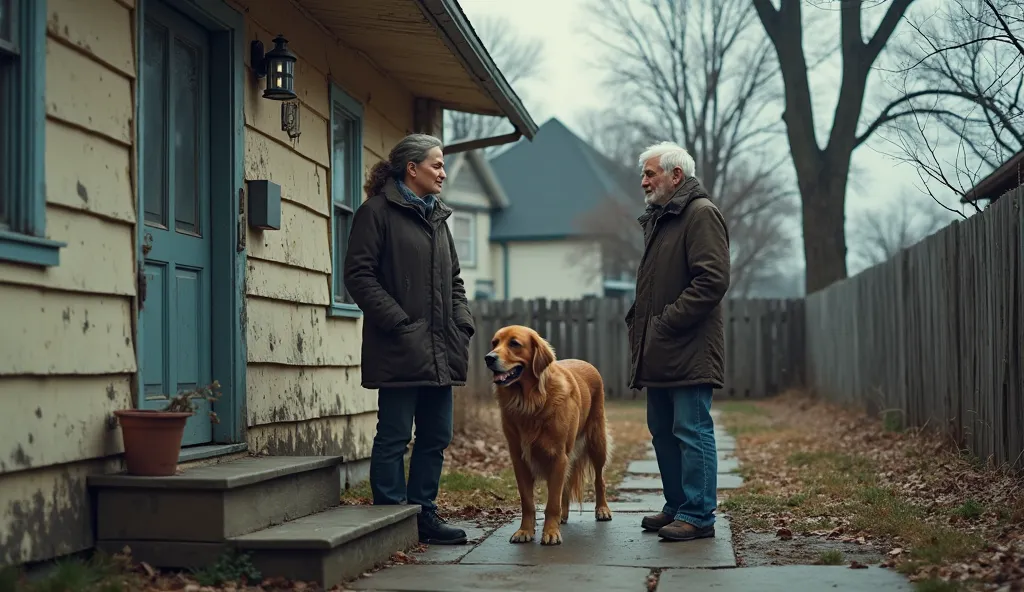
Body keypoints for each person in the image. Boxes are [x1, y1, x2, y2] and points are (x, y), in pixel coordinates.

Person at [343, 133, 475, 545]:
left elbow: (454, 279)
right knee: (395, 433)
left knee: (436, 435)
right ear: (411, 168)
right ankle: (389, 519)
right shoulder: (376, 213)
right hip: (399, 346)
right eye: (436, 164)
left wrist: (462, 322)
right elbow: (359, 276)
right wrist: (399, 323)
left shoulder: (437, 218)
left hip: (440, 347)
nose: (443, 172)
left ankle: (424, 516)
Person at [625, 141, 730, 542]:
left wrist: (666, 323)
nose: (644, 181)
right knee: (663, 429)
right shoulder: (662, 218)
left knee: (691, 429)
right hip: (660, 347)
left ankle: (699, 514)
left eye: (650, 173)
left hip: (688, 346)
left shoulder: (699, 214)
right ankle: (677, 505)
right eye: (643, 174)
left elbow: (712, 281)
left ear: (676, 175)